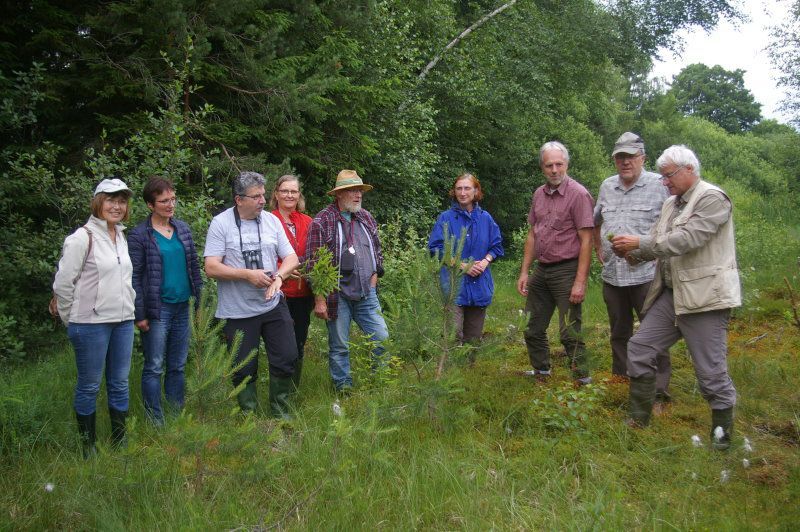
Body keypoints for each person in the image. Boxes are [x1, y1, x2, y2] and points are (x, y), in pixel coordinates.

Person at [611, 145, 741, 450]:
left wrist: (639, 242)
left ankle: (722, 442)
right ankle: (638, 420)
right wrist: (631, 253)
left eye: (669, 175)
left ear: (689, 170)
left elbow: (687, 239)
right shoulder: (671, 204)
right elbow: (659, 242)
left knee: (711, 373)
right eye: (664, 177)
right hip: (671, 295)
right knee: (640, 348)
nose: (665, 181)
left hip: (705, 298)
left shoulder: (712, 198)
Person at [204, 171, 299, 418]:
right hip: (238, 311)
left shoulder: (271, 221)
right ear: (239, 199)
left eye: (263, 195)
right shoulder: (221, 223)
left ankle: (281, 415)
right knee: (243, 368)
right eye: (256, 196)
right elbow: (211, 267)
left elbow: (291, 257)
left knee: (287, 355)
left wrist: (279, 277)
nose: (262, 200)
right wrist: (247, 275)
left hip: (272, 304)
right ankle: (249, 418)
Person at [53, 178, 136, 458]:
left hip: (123, 321)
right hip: (89, 325)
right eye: (111, 200)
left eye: (122, 201)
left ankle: (119, 441)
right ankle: (88, 447)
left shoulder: (121, 236)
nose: (117, 206)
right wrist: (71, 319)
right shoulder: (81, 238)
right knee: (89, 385)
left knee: (120, 383)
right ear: (98, 202)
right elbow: (63, 285)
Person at [593, 132, 672, 408]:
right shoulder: (607, 186)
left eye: (630, 156)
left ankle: (658, 392)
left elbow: (671, 227)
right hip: (613, 275)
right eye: (620, 157)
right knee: (619, 331)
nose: (625, 162)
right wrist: (598, 247)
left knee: (654, 333)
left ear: (643, 158)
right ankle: (621, 382)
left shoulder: (659, 185)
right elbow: (596, 220)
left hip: (647, 274)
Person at [516, 141, 594, 385]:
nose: (554, 170)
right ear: (542, 167)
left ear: (567, 164)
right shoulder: (538, 194)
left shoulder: (579, 194)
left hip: (567, 269)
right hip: (542, 269)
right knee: (531, 326)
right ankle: (542, 371)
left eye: (559, 164)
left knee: (569, 330)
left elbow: (587, 240)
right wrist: (524, 271)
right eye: (549, 165)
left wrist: (580, 281)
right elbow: (532, 234)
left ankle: (582, 379)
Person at [305, 169, 389, 392]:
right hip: (337, 295)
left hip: (366, 293)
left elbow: (377, 251)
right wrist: (320, 300)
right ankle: (344, 390)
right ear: (338, 195)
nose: (357, 194)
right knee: (340, 346)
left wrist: (374, 277)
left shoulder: (366, 217)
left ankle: (380, 383)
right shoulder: (322, 221)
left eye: (359, 190)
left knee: (381, 338)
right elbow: (314, 265)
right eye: (351, 190)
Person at [129, 177, 203, 425]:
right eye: (163, 201)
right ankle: (155, 419)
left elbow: (194, 267)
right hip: (158, 309)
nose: (170, 205)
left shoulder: (182, 229)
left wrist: (199, 304)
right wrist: (140, 314)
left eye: (172, 199)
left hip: (183, 306)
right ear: (150, 204)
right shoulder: (140, 235)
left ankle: (175, 414)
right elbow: (135, 277)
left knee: (178, 365)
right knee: (154, 365)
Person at [428, 172, 504, 359]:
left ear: (476, 191)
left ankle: (469, 378)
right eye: (459, 188)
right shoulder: (446, 218)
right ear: (454, 192)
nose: (462, 192)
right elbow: (435, 249)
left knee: (473, 340)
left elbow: (497, 246)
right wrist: (463, 265)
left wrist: (485, 262)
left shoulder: (485, 218)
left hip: (480, 286)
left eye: (467, 188)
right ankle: (449, 377)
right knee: (452, 337)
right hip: (454, 285)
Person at [270, 174, 313, 390]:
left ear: (299, 195)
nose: (289, 195)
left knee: (299, 340)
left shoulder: (307, 221)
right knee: (281, 344)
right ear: (276, 194)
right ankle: (280, 388)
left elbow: (315, 250)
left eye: (293, 191)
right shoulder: (268, 220)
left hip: (304, 292)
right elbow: (265, 252)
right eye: (285, 191)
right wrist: (284, 269)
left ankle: (293, 390)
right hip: (279, 292)